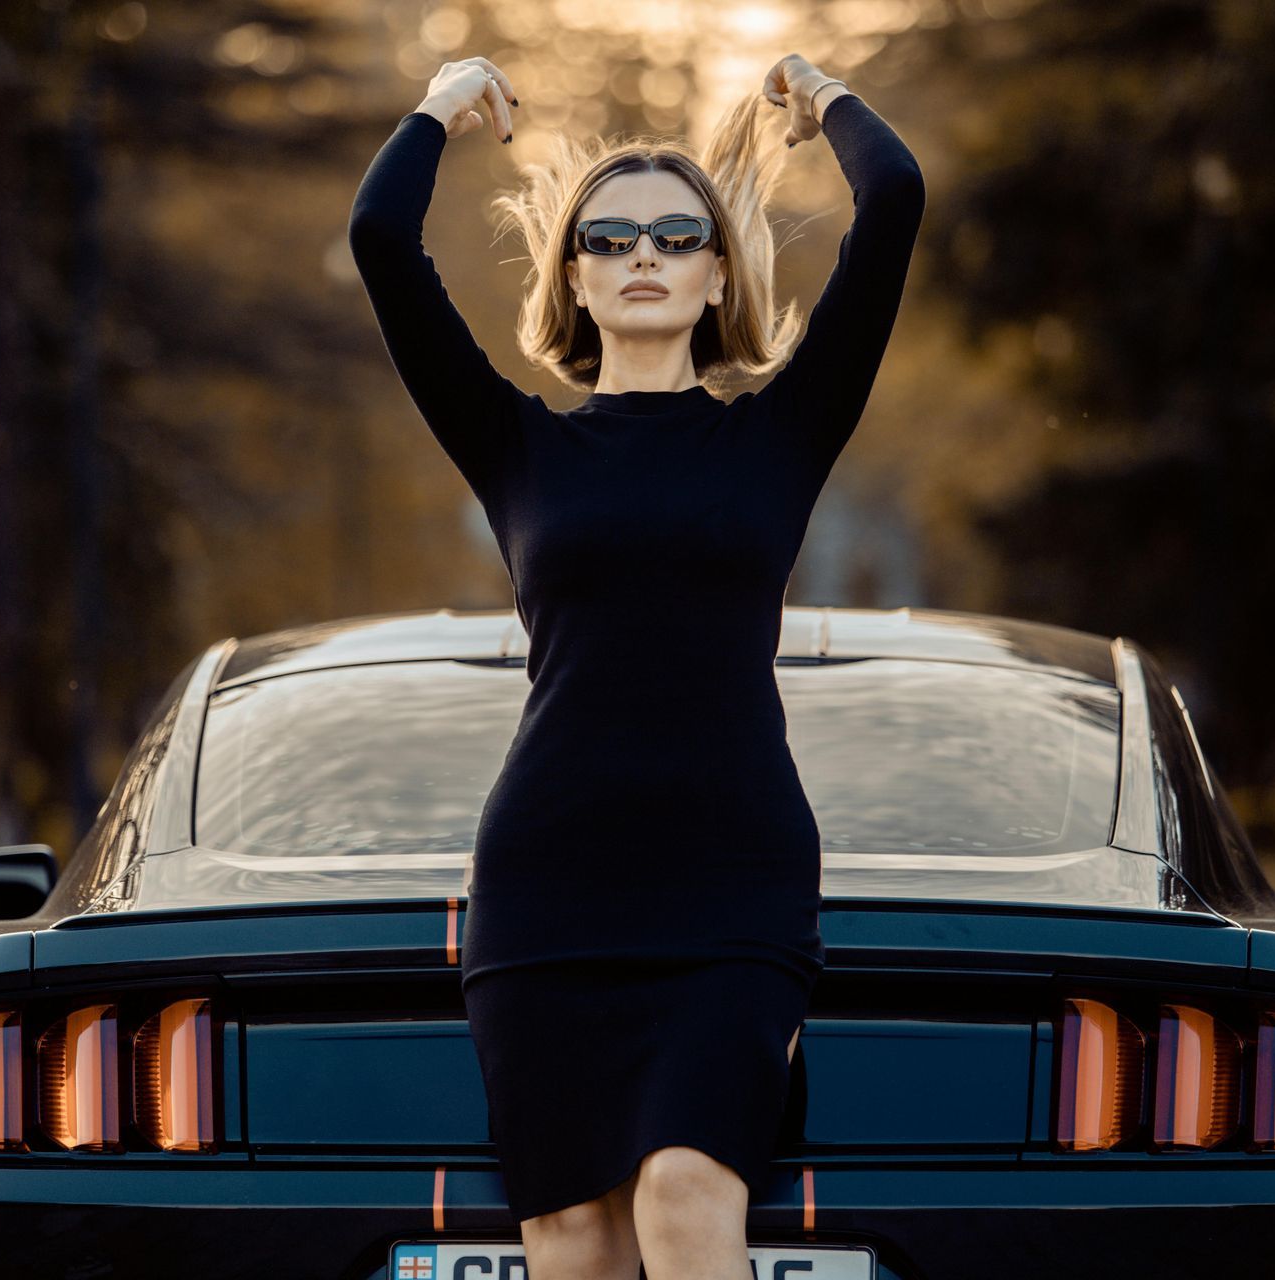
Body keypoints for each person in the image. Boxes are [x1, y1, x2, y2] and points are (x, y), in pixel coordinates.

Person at [348, 51, 925, 1278]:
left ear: (720, 269)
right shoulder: (516, 446)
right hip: (549, 882)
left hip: (732, 881)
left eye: (677, 233)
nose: (646, 255)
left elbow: (899, 201)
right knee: (571, 1239)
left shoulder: (782, 434)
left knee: (682, 1192)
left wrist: (819, 94)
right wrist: (444, 104)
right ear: (573, 275)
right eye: (611, 240)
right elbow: (380, 237)